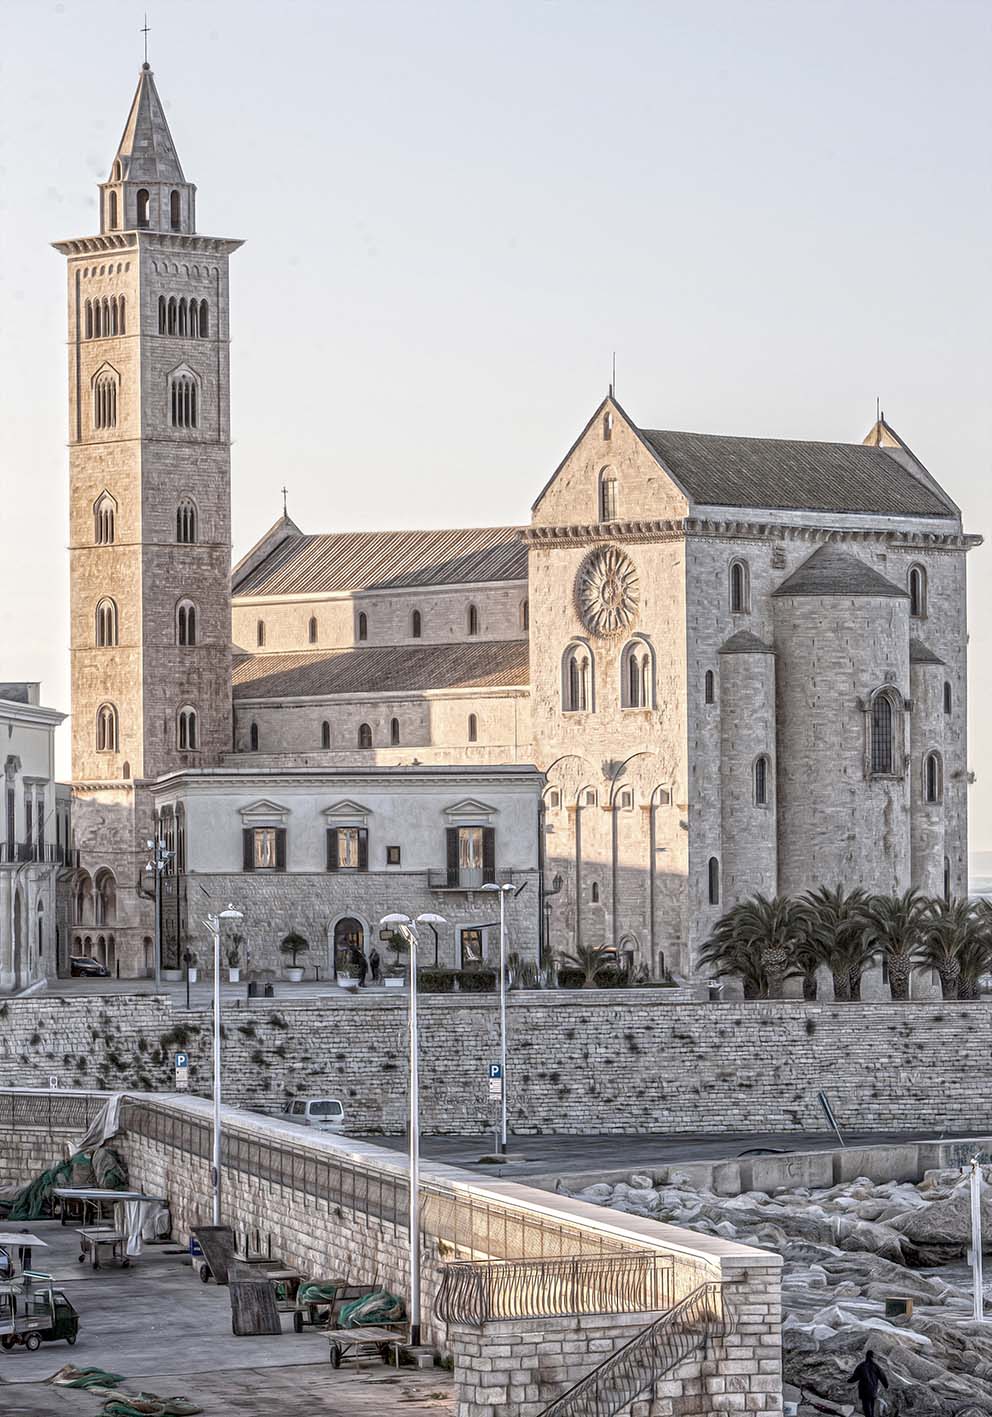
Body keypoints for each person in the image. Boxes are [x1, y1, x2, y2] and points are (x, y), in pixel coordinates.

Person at [847, 1349, 888, 1417]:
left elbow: (855, 1377)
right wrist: (886, 1385)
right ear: (873, 1356)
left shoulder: (861, 1365)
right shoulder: (876, 1366)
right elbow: (882, 1376)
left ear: (866, 1356)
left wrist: (849, 1381)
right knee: (871, 1405)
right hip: (873, 1390)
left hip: (864, 1390)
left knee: (866, 1407)